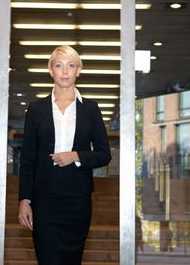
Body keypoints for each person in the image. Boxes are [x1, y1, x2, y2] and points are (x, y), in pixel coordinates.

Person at [18, 45, 112, 265]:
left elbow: (104, 154)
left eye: (71, 65)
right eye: (59, 65)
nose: (65, 71)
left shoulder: (91, 109)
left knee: (72, 260)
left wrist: (76, 156)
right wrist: (24, 199)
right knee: (48, 259)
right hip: (44, 200)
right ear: (51, 70)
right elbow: (27, 158)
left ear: (78, 70)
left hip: (77, 200)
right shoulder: (36, 108)